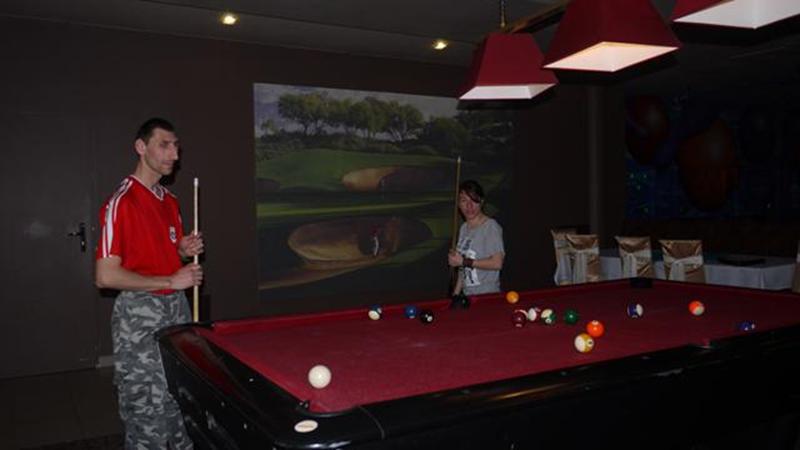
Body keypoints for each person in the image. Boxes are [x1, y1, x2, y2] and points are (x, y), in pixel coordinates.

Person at [95, 117, 203, 449]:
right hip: (140, 316)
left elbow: (163, 253)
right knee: (147, 417)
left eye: (176, 146)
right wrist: (171, 278)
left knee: (179, 403)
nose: (174, 154)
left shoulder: (170, 201)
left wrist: (182, 250)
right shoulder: (122, 202)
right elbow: (105, 276)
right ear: (141, 147)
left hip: (176, 308)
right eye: (164, 145)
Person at [448, 180, 504, 296]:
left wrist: (464, 261)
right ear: (458, 204)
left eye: (474, 200)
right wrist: (456, 294)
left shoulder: (490, 226)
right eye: (464, 200)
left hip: (487, 296)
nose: (469, 206)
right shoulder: (464, 228)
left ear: (481, 202)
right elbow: (463, 269)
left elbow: (497, 263)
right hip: (468, 295)